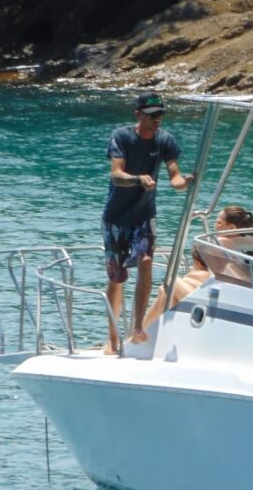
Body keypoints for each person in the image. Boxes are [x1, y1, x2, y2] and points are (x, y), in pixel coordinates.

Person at [102, 92, 193, 353]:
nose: (157, 120)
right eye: (152, 115)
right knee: (117, 276)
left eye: (160, 114)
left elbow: (174, 177)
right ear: (138, 114)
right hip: (116, 217)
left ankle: (137, 326)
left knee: (146, 261)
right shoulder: (122, 137)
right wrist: (138, 179)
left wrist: (184, 182)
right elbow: (117, 174)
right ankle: (112, 336)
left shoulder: (165, 140)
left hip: (144, 214)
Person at [140, 206, 253, 328]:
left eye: (219, 223)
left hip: (219, 302)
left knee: (169, 283)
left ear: (231, 228)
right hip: (235, 298)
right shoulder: (251, 246)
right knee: (166, 293)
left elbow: (200, 260)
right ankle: (144, 333)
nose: (215, 226)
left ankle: (140, 333)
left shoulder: (222, 242)